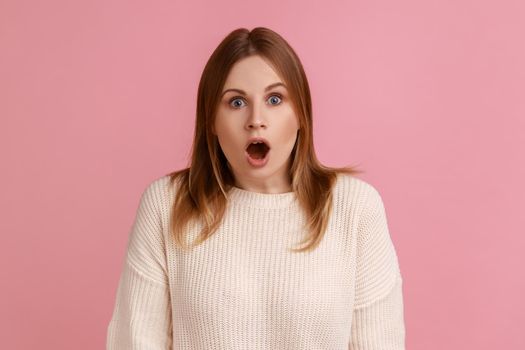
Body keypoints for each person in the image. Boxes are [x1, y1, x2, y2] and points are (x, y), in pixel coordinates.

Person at [106, 26, 406, 349]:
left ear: (301, 113)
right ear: (211, 120)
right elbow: (135, 341)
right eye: (236, 102)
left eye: (275, 99)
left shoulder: (356, 208)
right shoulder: (165, 206)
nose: (256, 119)